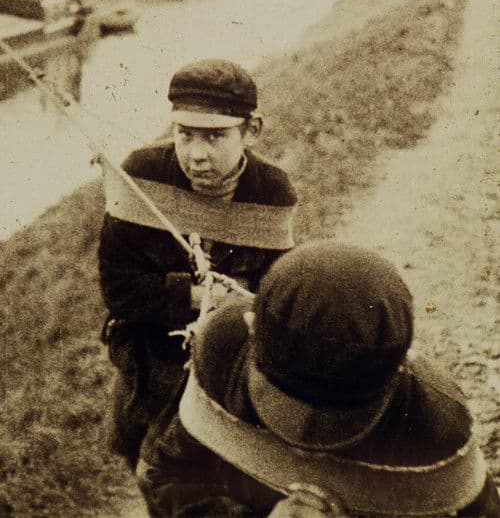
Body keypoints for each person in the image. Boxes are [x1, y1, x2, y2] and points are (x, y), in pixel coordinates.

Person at [137, 240, 500, 517]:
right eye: (288, 400)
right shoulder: (224, 352)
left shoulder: (436, 422)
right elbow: (161, 474)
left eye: (335, 417)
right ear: (251, 328)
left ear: (398, 369)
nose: (307, 439)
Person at [97, 58, 297, 471]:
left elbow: (276, 294)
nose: (196, 155)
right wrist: (198, 296)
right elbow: (119, 290)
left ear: (251, 130)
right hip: (150, 353)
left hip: (232, 357)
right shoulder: (141, 176)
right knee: (151, 465)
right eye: (184, 135)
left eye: (214, 136)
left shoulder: (272, 191)